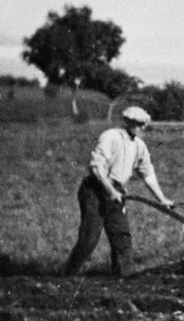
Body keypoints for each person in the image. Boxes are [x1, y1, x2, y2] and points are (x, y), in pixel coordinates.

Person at [62, 106, 174, 277]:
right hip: (95, 188)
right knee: (90, 238)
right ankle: (67, 277)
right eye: (139, 124)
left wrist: (162, 199)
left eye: (144, 124)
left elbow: (148, 174)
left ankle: (123, 278)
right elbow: (96, 167)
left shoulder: (139, 146)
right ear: (128, 122)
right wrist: (110, 190)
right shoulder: (111, 137)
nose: (142, 127)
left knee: (121, 236)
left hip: (117, 191)